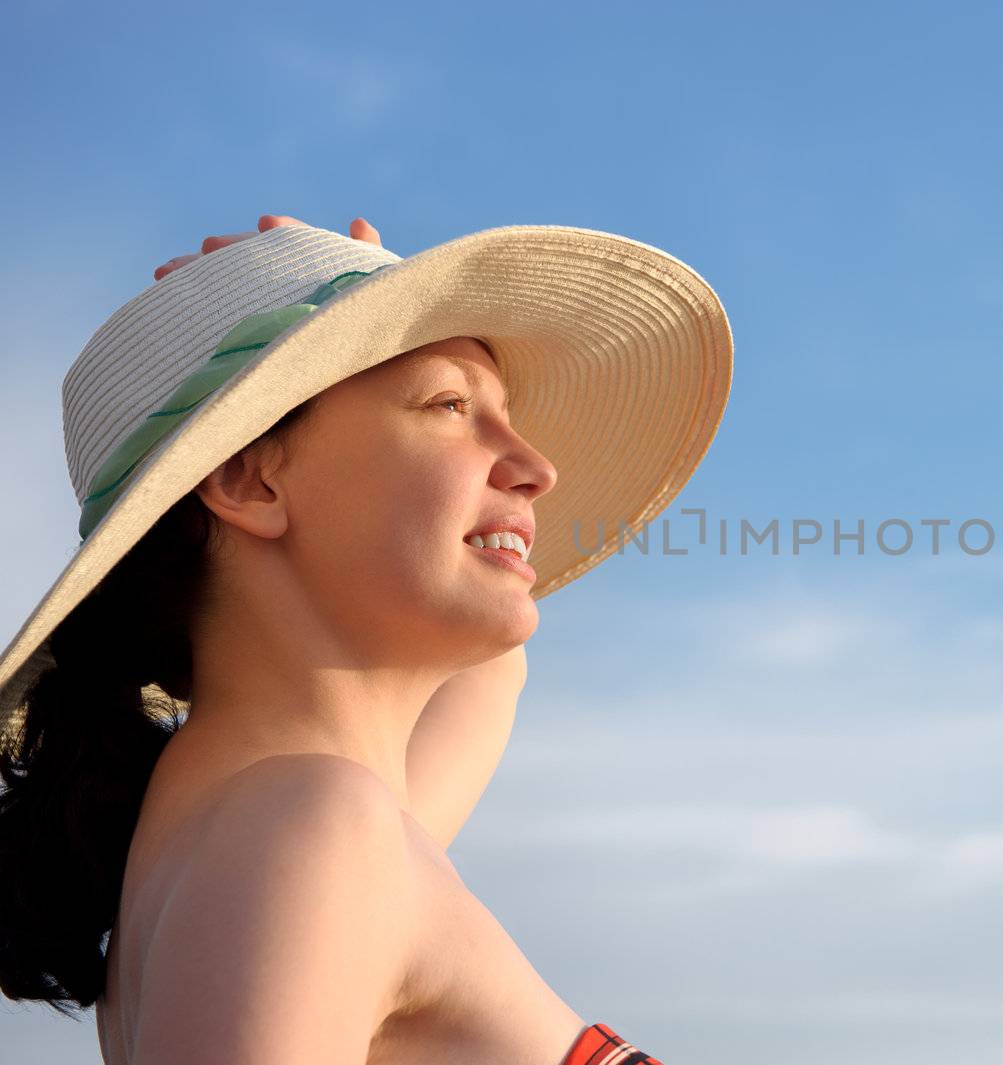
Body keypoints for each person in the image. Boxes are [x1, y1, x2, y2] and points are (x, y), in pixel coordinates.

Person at [0, 214, 733, 1063]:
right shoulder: (308, 831)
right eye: (452, 405)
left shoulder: (303, 830)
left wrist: (373, 291)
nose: (539, 467)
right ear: (248, 477)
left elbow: (494, 667)